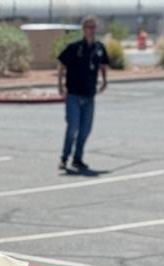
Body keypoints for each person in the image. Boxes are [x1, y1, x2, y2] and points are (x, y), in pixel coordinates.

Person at [57, 17, 109, 172]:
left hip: (89, 95)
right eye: (88, 27)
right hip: (73, 94)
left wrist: (105, 81)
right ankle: (64, 157)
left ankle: (77, 158)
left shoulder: (99, 48)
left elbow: (103, 65)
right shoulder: (74, 47)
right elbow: (61, 65)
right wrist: (60, 86)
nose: (91, 30)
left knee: (85, 129)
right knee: (73, 127)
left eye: (93, 27)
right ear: (83, 29)